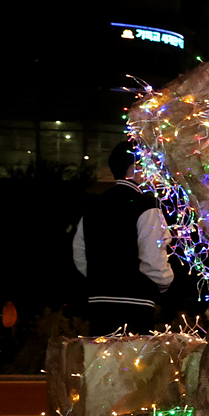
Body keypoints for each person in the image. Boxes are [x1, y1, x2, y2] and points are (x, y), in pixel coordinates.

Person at [73, 141, 174, 336]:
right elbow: (153, 257)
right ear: (134, 168)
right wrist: (164, 282)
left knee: (101, 362)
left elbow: (79, 253)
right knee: (131, 363)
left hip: (99, 303)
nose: (155, 173)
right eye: (149, 165)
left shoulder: (94, 206)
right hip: (136, 303)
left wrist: (101, 277)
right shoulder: (146, 206)